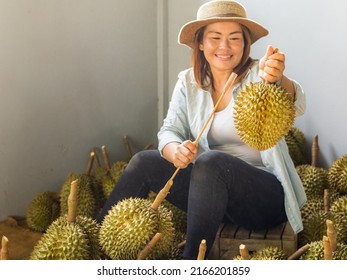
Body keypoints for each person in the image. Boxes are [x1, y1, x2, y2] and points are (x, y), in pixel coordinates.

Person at [98, 0, 306, 259]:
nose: (224, 47)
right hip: (210, 194)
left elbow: (297, 104)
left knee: (211, 161)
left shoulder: (258, 76)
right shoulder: (188, 82)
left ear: (245, 43)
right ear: (200, 42)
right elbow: (169, 131)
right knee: (144, 161)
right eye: (215, 37)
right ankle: (96, 248)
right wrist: (174, 150)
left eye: (234, 38)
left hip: (263, 199)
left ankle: (191, 264)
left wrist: (278, 78)